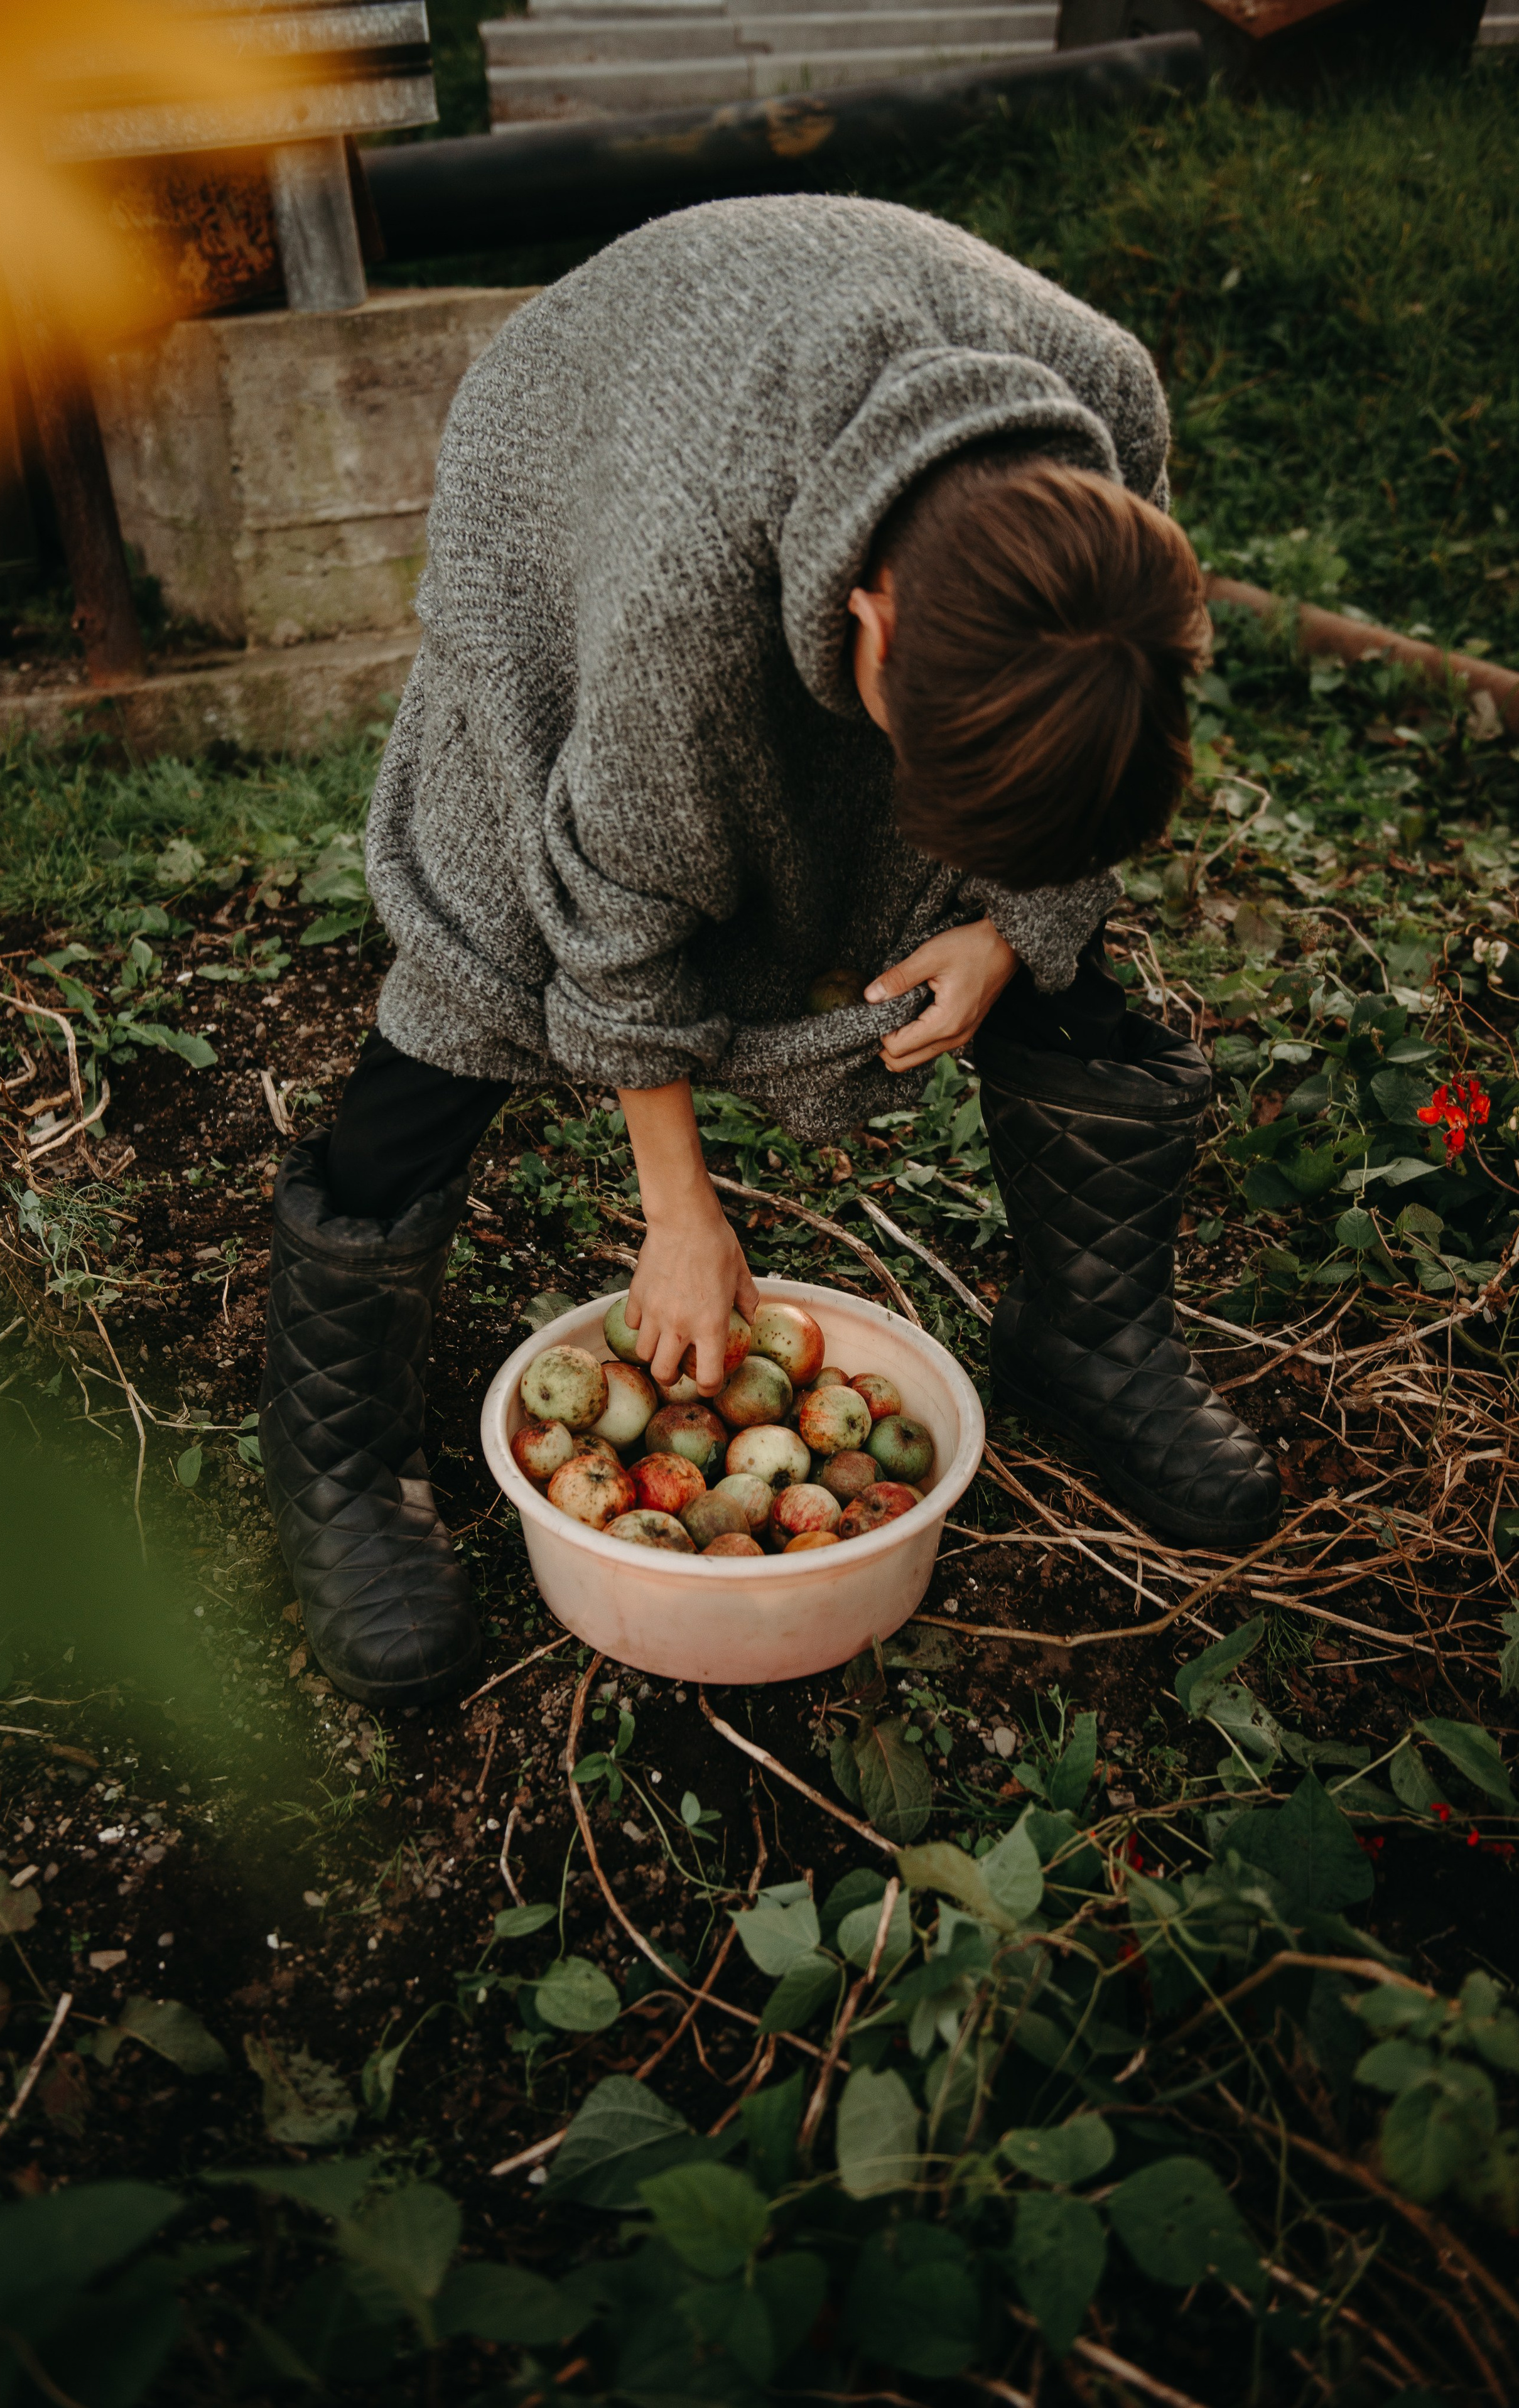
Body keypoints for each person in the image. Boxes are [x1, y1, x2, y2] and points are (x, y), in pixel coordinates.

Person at [257, 193, 1281, 1709]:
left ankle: (1084, 1341)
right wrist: (678, 1209)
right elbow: (615, 912)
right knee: (479, 961)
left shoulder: (1103, 415)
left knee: (1047, 904)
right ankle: (336, 1459)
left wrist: (1013, 930)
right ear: (871, 614)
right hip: (595, 438)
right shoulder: (670, 590)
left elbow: (1082, 748)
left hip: (817, 449)